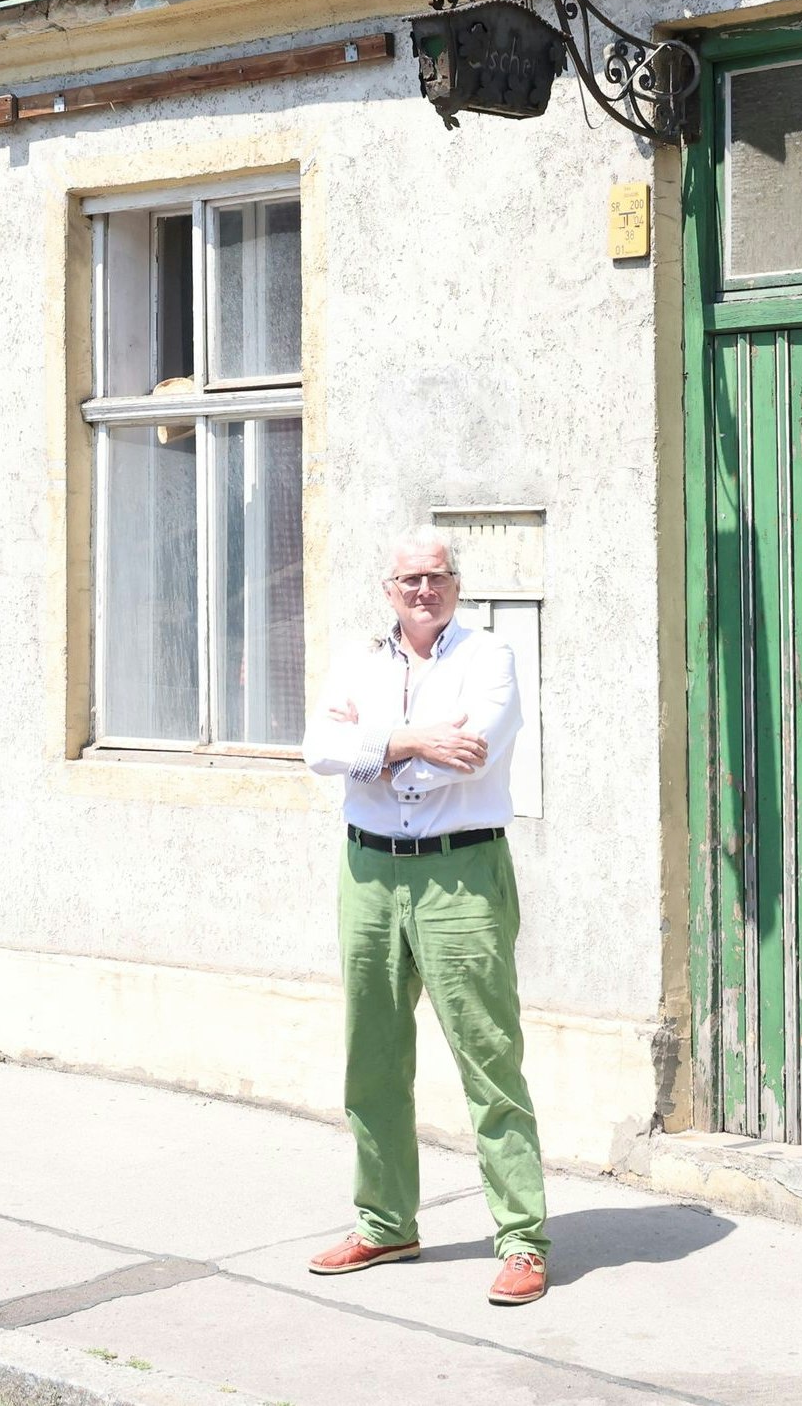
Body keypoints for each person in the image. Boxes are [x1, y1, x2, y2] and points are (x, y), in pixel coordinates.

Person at [302, 525, 549, 1306]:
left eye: (436, 577)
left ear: (455, 584)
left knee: (488, 1057)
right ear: (389, 588)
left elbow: (472, 750)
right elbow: (316, 747)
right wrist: (413, 740)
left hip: (462, 873)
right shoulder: (357, 660)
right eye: (409, 579)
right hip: (368, 870)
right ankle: (384, 1223)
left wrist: (372, 748)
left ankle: (522, 1239)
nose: (422, 591)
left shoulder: (491, 657)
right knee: (370, 1058)